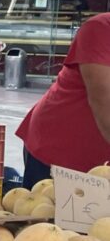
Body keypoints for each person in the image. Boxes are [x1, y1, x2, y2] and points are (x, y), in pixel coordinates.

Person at [17, 13, 110, 188]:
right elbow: (105, 105)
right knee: (45, 212)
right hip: (59, 148)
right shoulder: (101, 29)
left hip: (100, 163)